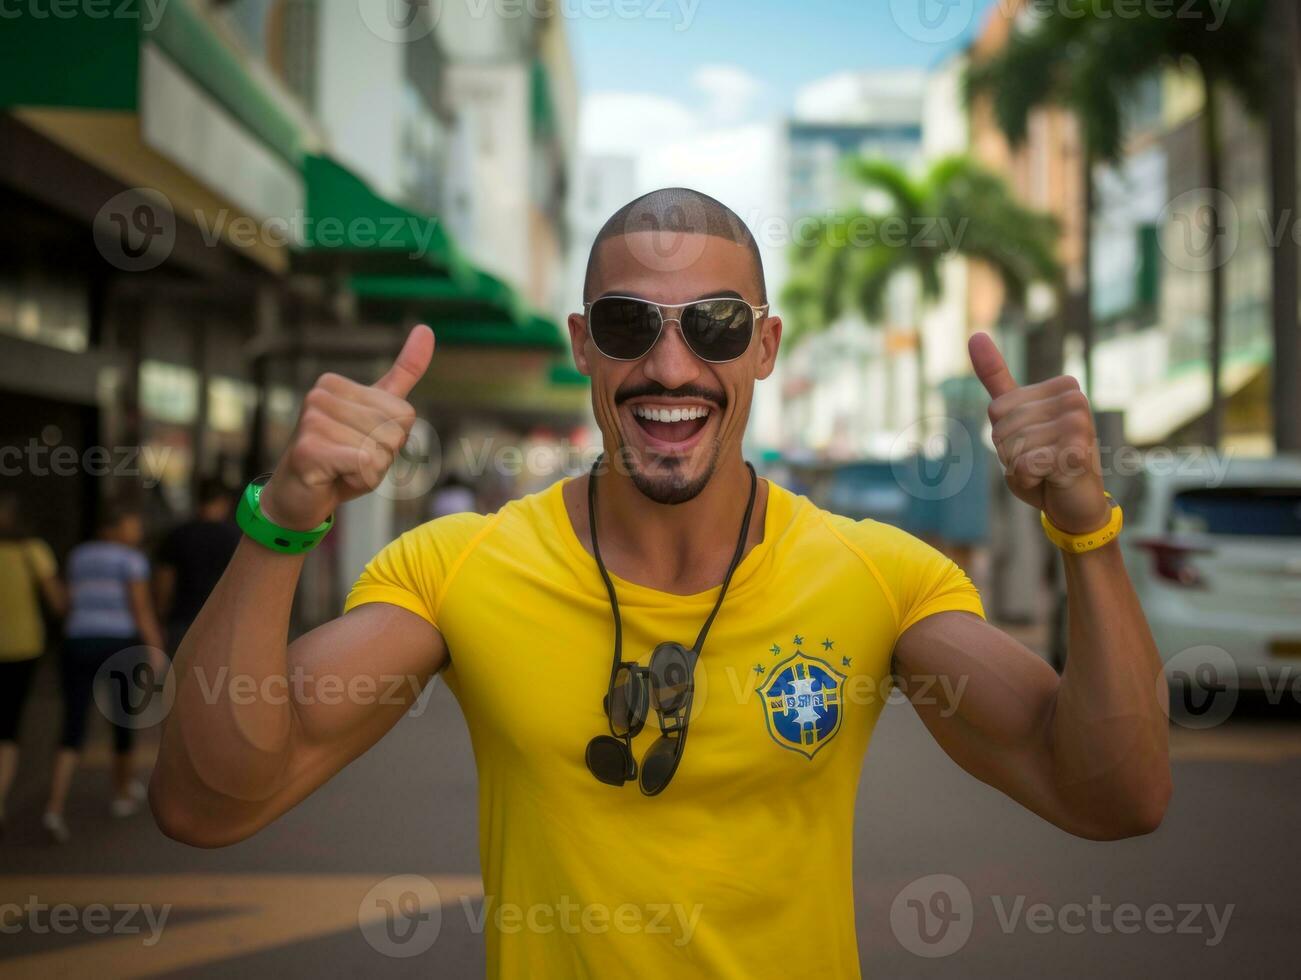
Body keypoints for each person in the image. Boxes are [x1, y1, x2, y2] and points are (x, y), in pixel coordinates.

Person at [151, 189, 1171, 977]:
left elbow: (1113, 794)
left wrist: (1085, 529)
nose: (672, 366)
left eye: (717, 325)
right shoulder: (459, 565)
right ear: (582, 345)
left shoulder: (878, 576)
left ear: (763, 347)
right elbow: (209, 802)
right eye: (631, 325)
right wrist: (282, 519)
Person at [45, 501, 165, 843]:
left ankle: (53, 806)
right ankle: (122, 793)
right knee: (123, 720)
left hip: (77, 641)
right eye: (132, 523)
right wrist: (155, 647)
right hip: (118, 644)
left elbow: (68, 603)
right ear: (114, 528)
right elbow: (140, 609)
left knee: (72, 724)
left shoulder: (78, 556)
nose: (138, 530)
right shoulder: (131, 560)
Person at [0, 493, 65, 836]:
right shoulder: (32, 551)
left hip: (22, 647)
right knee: (8, 727)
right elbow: (57, 602)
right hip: (20, 646)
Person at [154, 478, 242, 655]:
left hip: (183, 620)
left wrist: (161, 617)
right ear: (224, 503)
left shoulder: (178, 535)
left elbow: (164, 582)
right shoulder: (237, 539)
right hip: (223, 622)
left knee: (180, 678)